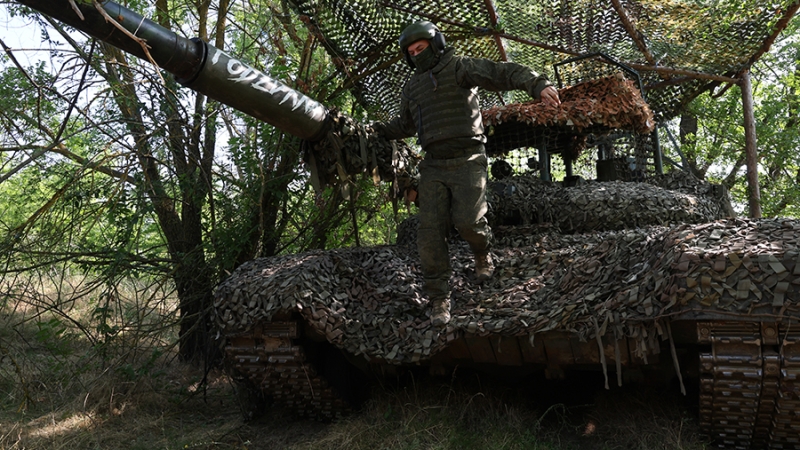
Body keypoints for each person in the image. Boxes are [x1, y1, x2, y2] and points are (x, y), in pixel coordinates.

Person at [374, 21, 561, 327]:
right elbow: (405, 125)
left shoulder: (460, 67)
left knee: (468, 222)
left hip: (468, 157)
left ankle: (482, 251)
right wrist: (376, 130)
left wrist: (537, 84)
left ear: (435, 44)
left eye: (421, 48)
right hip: (433, 164)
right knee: (430, 233)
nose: (417, 55)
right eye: (411, 52)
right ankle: (439, 298)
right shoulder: (412, 87)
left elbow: (500, 73)